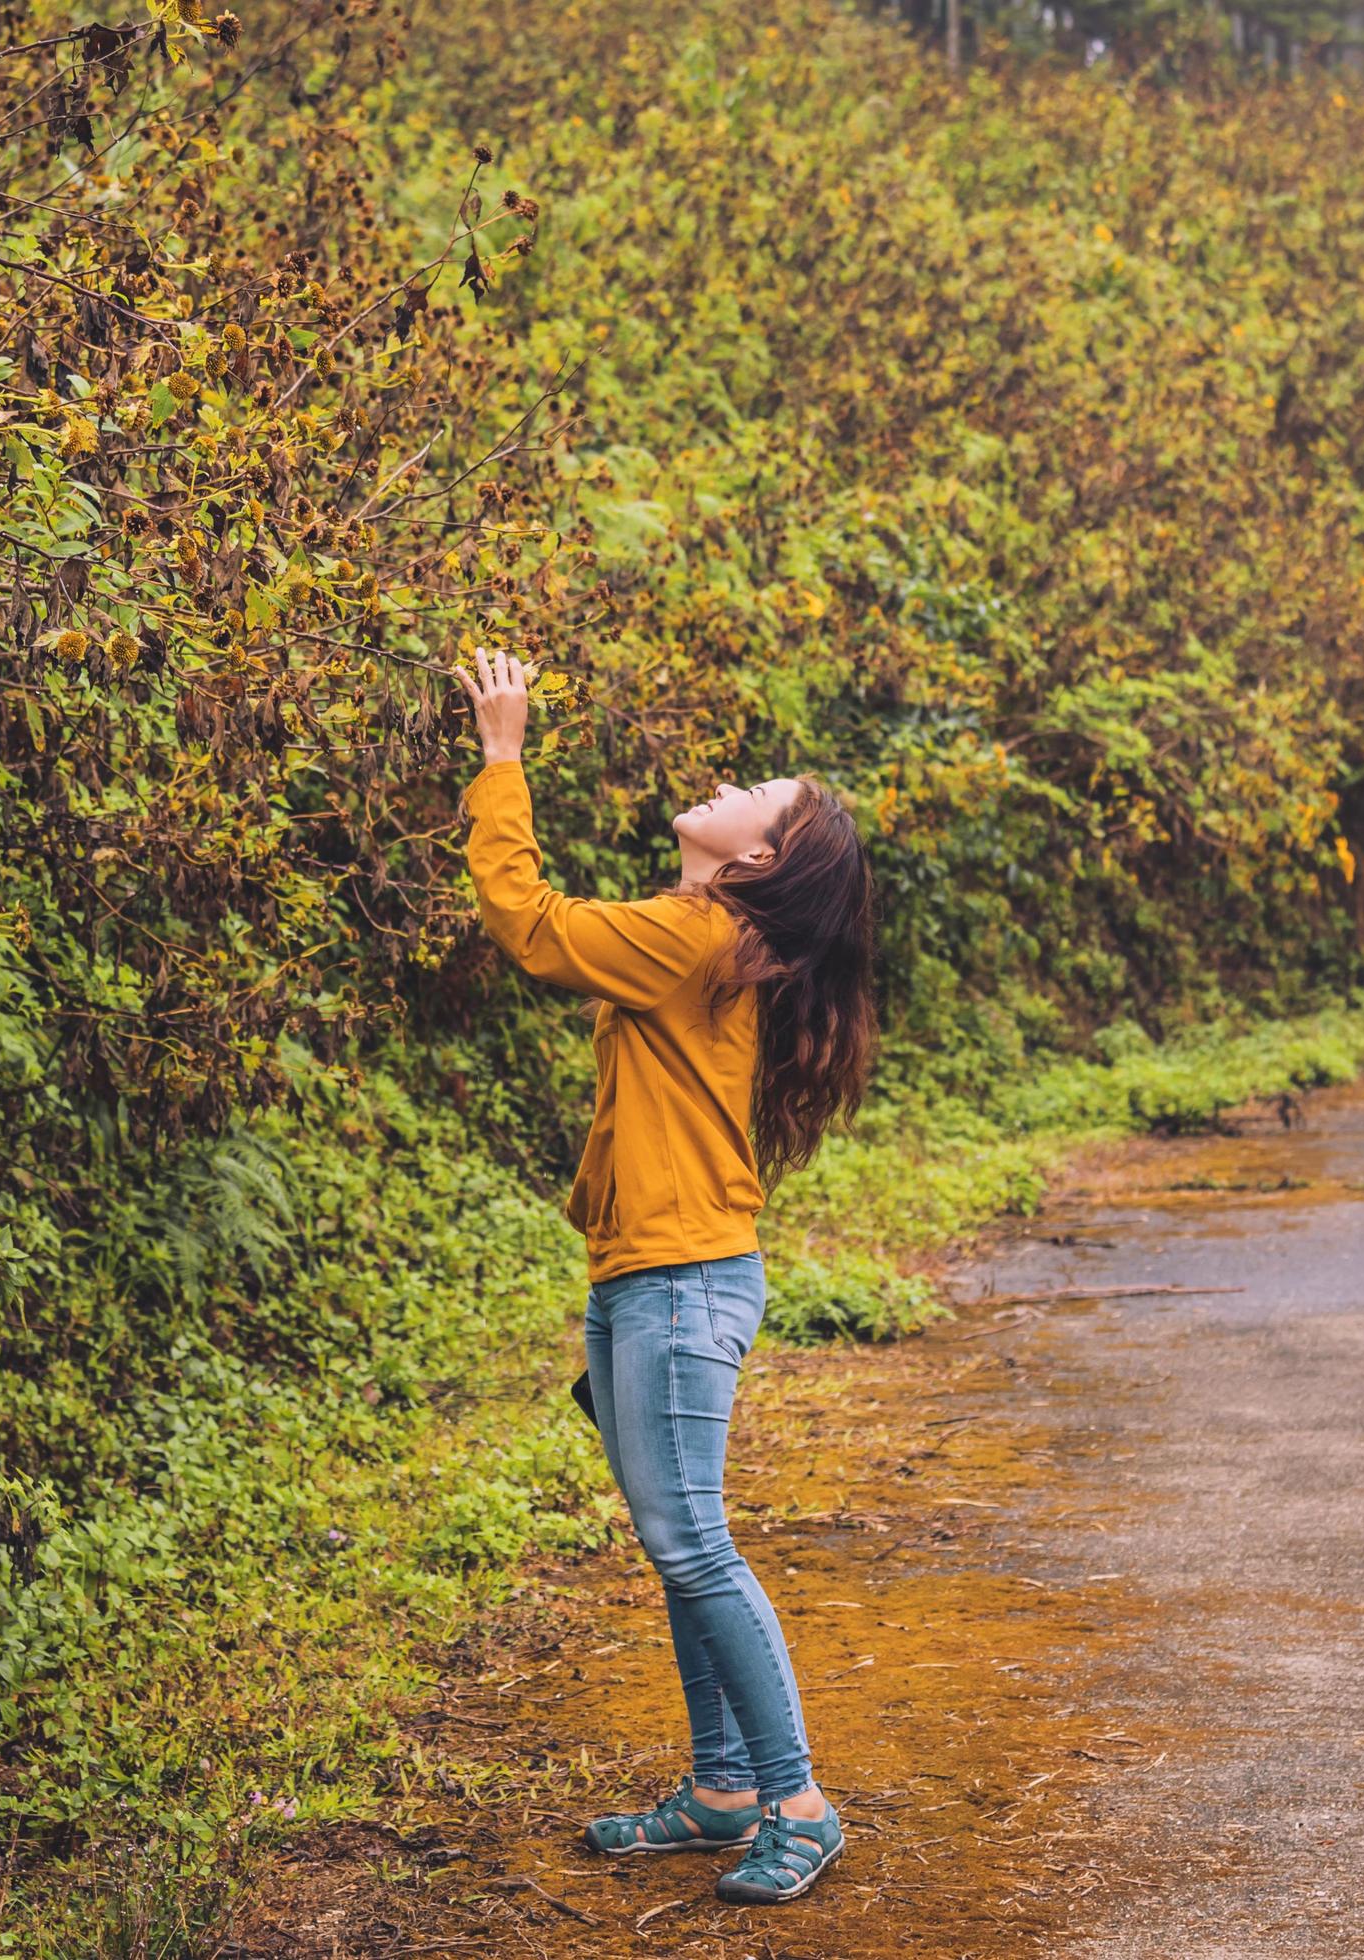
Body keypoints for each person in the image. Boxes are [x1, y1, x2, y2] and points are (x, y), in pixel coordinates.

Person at [453, 647, 879, 1907]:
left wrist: (502, 754)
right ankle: (723, 1787)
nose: (732, 781)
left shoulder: (701, 935)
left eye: (764, 790)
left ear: (760, 860)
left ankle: (796, 1797)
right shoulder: (702, 938)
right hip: (651, 1271)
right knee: (674, 1540)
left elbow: (530, 929)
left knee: (691, 1541)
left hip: (682, 1280)